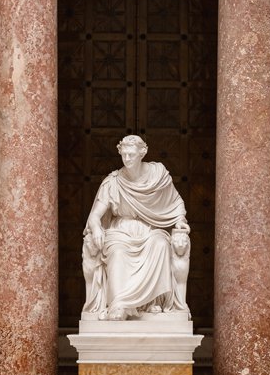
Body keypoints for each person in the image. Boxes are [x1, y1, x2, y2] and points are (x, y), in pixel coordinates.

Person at [81, 135, 191, 321]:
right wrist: (97, 227)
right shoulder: (113, 181)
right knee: (117, 252)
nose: (127, 159)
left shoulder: (158, 175)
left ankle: (152, 302)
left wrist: (180, 219)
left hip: (149, 229)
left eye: (131, 154)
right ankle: (119, 305)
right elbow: (95, 216)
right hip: (121, 231)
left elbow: (176, 201)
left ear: (143, 153)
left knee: (161, 244)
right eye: (124, 155)